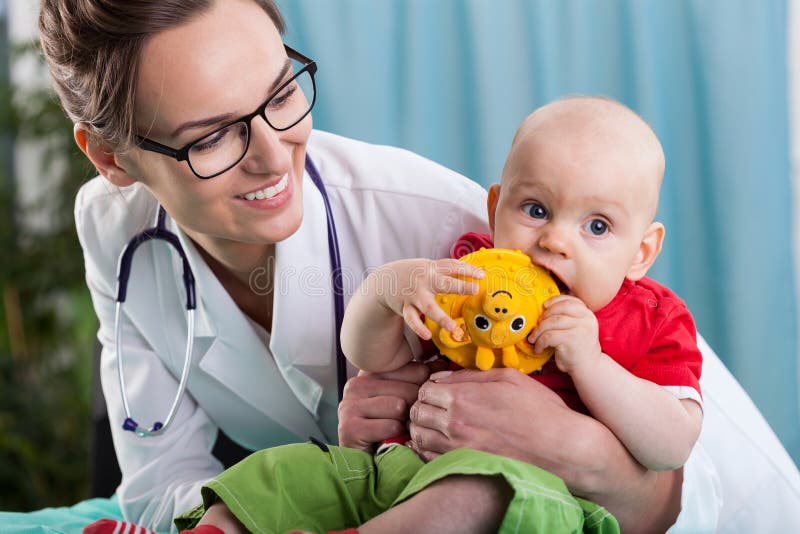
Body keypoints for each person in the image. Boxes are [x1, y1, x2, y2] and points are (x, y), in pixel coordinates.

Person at [31, 0, 800, 533]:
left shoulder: (458, 236)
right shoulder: (114, 233)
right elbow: (162, 484)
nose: (275, 155)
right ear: (110, 158)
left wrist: (577, 449)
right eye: (210, 138)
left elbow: (721, 490)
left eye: (280, 94)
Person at [180, 97, 700, 533]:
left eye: (598, 227)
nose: (555, 241)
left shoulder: (650, 317)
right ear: (496, 210)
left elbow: (670, 445)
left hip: (532, 496)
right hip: (396, 471)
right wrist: (387, 290)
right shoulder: (465, 271)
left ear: (641, 252)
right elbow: (372, 357)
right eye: (536, 210)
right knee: (282, 469)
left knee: (473, 495)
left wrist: (590, 364)